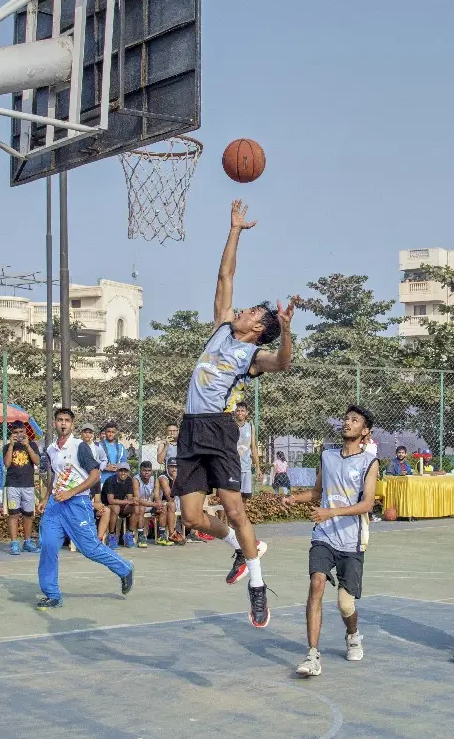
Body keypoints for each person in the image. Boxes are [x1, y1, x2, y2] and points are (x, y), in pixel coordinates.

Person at [177, 199, 298, 629]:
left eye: (251, 312)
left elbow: (283, 363)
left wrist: (287, 330)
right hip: (190, 429)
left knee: (234, 509)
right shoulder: (221, 329)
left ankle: (258, 587)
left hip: (219, 429)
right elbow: (224, 276)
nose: (242, 310)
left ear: (258, 327)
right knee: (191, 517)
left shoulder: (252, 356)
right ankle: (241, 548)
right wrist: (234, 230)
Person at [283, 406, 379, 677]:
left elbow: (367, 504)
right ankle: (312, 655)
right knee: (316, 583)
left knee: (345, 604)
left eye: (354, 420)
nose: (347, 423)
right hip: (323, 536)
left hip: (352, 540)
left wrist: (331, 512)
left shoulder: (369, 462)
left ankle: (353, 635)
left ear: (365, 430)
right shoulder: (327, 456)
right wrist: (293, 498)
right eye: (346, 419)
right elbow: (317, 492)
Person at [36, 407, 134, 608]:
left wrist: (71, 492)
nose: (63, 423)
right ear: (55, 423)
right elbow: (55, 475)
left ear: (72, 424)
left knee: (89, 548)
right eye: (60, 420)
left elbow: (95, 475)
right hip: (55, 505)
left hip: (77, 503)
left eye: (67, 420)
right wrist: (46, 498)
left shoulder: (80, 446)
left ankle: (124, 568)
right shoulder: (52, 449)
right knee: (48, 545)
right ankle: (52, 594)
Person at [2, 422, 41, 555]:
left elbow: (37, 461)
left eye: (21, 432)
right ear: (12, 434)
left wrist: (28, 446)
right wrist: (11, 445)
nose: (19, 435)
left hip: (28, 485)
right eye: (15, 433)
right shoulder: (7, 447)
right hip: (12, 485)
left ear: (25, 432)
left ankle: (27, 541)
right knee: (13, 514)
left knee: (28, 514)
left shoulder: (32, 445)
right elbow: (7, 464)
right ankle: (14, 543)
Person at [101, 464, 140, 549]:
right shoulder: (110, 480)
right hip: (106, 506)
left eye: (125, 471)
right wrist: (128, 501)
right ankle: (111, 536)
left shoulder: (129, 480)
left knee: (136, 508)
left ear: (128, 472)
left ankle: (129, 535)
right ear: (117, 471)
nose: (123, 473)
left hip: (121, 504)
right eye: (121, 471)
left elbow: (130, 498)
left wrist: (133, 501)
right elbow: (110, 500)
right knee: (116, 507)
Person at [134, 461, 163, 546]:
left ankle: (162, 536)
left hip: (150, 504)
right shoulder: (135, 479)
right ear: (140, 470)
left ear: (152, 471)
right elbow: (138, 500)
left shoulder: (154, 479)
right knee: (141, 508)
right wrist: (154, 504)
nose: (147, 473)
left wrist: (159, 503)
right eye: (144, 470)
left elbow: (157, 496)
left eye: (149, 470)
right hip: (139, 505)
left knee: (163, 508)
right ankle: (141, 536)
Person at [157, 458, 184, 544]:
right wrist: (175, 479)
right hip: (161, 503)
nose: (174, 469)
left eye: (176, 467)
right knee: (171, 505)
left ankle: (192, 534)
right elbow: (170, 498)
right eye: (171, 466)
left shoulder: (180, 476)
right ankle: (171, 534)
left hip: (175, 503)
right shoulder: (163, 478)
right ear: (167, 467)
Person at [235, 401, 257, 500]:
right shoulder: (231, 426)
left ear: (246, 413)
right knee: (234, 496)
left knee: (245, 496)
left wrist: (258, 467)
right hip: (233, 467)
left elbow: (253, 447)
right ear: (235, 413)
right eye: (238, 410)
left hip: (246, 467)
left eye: (242, 410)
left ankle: (242, 510)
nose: (240, 412)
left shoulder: (250, 427)